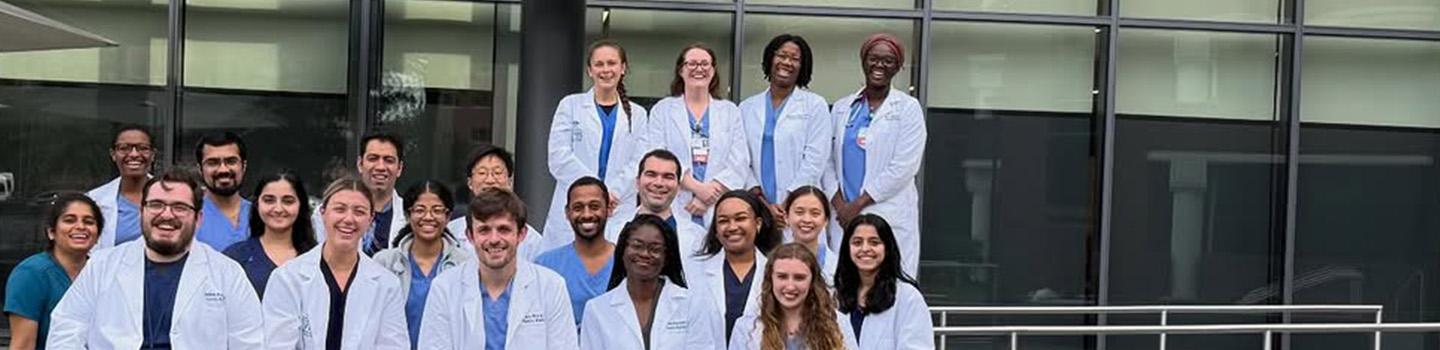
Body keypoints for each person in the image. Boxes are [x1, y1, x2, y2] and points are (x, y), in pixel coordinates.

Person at [48, 169, 264, 350]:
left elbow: (250, 343)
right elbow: (66, 331)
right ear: (142, 211)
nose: (167, 215)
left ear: (198, 219)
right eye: (156, 205)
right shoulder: (101, 266)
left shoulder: (227, 273)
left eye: (179, 207)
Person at [419, 188, 577, 350]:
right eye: (484, 230)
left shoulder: (551, 286)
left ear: (521, 234)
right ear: (470, 236)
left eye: (503, 229)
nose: (494, 239)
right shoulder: (444, 287)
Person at [264, 176, 408, 350]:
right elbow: (277, 345)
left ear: (370, 220)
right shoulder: (287, 278)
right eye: (339, 209)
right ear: (323, 213)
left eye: (359, 212)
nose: (348, 219)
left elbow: (393, 346)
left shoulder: (387, 284)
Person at [825, 33, 927, 277]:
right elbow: (827, 161)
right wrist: (840, 206)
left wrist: (858, 206)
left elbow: (904, 167)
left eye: (888, 60)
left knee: (889, 284)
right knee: (845, 285)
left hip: (888, 212)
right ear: (863, 61)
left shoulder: (908, 108)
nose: (880, 65)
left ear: (898, 66)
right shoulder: (842, 108)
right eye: (874, 58)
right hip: (844, 219)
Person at [546, 39, 648, 248]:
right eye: (599, 64)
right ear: (589, 70)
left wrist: (613, 193)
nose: (606, 70)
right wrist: (596, 191)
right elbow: (558, 157)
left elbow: (640, 162)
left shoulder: (638, 114)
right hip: (575, 200)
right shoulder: (570, 105)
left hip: (617, 205)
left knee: (614, 266)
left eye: (611, 63)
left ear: (623, 68)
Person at [580, 215, 723, 350]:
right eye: (637, 246)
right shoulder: (597, 310)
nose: (644, 254)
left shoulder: (692, 304)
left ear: (666, 257)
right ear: (622, 251)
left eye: (655, 249)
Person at [647, 43, 749, 227]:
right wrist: (698, 188)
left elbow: (739, 161)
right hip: (677, 200)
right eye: (692, 64)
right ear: (681, 70)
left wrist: (707, 197)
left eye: (704, 64)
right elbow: (657, 157)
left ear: (713, 70)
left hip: (717, 203)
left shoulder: (730, 111)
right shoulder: (662, 110)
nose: (698, 69)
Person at [372, 180, 476, 349]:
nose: (428, 217)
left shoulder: (465, 264)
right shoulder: (385, 263)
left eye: (437, 210)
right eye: (420, 210)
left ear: (448, 216)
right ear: (407, 215)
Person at [740, 34, 831, 223]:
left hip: (800, 207)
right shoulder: (747, 107)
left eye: (795, 58)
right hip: (759, 207)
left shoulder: (815, 105)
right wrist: (763, 204)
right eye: (781, 55)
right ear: (770, 59)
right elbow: (742, 160)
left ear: (802, 66)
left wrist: (787, 203)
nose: (787, 62)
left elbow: (815, 161)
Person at [684, 190, 782, 345]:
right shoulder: (694, 271)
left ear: (758, 224)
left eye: (740, 218)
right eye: (723, 221)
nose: (732, 227)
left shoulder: (778, 273)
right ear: (716, 230)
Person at [5, 193, 101, 350]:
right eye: (69, 220)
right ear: (51, 232)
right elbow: (23, 345)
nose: (81, 227)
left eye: (89, 222)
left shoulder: (104, 273)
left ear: (97, 235)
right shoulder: (31, 274)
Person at [728, 243, 858, 350]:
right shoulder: (746, 328)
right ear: (770, 279)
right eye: (782, 277)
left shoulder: (838, 323)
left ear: (812, 282)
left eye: (799, 278)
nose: (790, 286)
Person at [833, 214, 933, 350]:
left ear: (887, 248)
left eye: (874, 242)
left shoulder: (908, 297)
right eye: (857, 242)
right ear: (847, 249)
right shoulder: (835, 295)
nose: (865, 249)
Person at [222, 170, 319, 297]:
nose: (278, 209)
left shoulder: (318, 258)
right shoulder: (235, 258)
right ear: (257, 205)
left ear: (300, 205)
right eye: (269, 200)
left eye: (288, 201)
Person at [534, 177, 615, 326]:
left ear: (608, 209)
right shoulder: (545, 265)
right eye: (578, 207)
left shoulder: (627, 263)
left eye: (594, 206)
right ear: (567, 212)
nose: (586, 214)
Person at [314, 132, 408, 256]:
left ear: (399, 168)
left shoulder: (410, 216)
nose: (380, 167)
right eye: (373, 158)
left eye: (388, 160)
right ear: (360, 164)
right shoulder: (326, 212)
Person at [447, 145, 545, 261]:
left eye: (497, 173)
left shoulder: (531, 240)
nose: (490, 180)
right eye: (482, 173)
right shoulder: (451, 232)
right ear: (470, 182)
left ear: (509, 181)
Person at [604, 149, 706, 258]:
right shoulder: (610, 232)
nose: (659, 183)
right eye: (651, 175)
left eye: (668, 177)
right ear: (637, 182)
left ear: (678, 186)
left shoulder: (699, 239)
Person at [88, 125, 154, 250]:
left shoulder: (171, 195)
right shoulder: (95, 200)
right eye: (124, 148)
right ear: (113, 154)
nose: (134, 154)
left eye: (143, 148)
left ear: (153, 154)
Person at [195, 132, 252, 251]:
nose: (223, 169)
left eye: (231, 161)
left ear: (244, 166)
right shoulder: (189, 217)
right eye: (213, 163)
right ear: (200, 169)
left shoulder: (262, 215)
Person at [782, 186, 837, 280]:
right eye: (799, 212)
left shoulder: (836, 266)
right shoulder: (775, 263)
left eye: (815, 213)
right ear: (786, 217)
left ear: (826, 221)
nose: (807, 220)